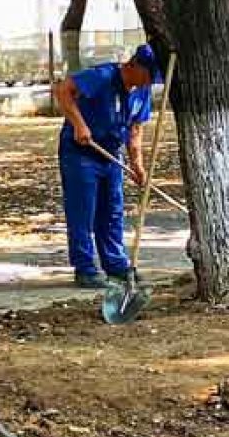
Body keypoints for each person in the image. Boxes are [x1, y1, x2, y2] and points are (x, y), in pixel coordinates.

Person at [51, 44, 163, 288]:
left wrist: (138, 164)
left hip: (111, 154)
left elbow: (136, 129)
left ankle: (116, 265)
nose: (149, 82)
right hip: (81, 151)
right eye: (149, 75)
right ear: (134, 65)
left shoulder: (141, 92)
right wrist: (79, 124)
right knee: (83, 210)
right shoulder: (102, 76)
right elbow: (63, 90)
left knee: (112, 210)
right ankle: (85, 268)